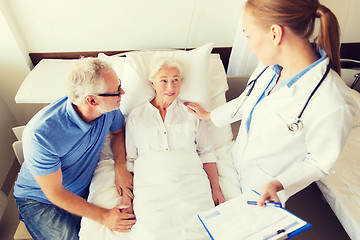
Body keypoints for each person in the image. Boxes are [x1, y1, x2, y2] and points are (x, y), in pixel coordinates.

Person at [185, 0, 357, 206]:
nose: (249, 46)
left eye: (249, 35)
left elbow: (319, 162)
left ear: (275, 34)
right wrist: (210, 116)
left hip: (263, 188)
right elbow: (248, 100)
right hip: (234, 161)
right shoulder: (268, 68)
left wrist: (278, 184)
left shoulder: (332, 101)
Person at [13, 57, 136, 240]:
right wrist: (104, 216)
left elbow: (118, 133)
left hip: (80, 188)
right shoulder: (41, 135)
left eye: (120, 85)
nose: (122, 92)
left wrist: (120, 166)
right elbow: (55, 193)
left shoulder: (108, 109)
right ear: (92, 101)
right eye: (116, 91)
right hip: (40, 200)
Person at [123, 57, 225, 239]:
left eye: (175, 80)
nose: (170, 87)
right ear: (152, 82)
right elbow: (130, 161)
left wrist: (215, 189)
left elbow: (207, 153)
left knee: (199, 231)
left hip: (190, 183)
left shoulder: (192, 113)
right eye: (164, 80)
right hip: (151, 187)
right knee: (152, 232)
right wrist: (127, 199)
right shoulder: (136, 116)